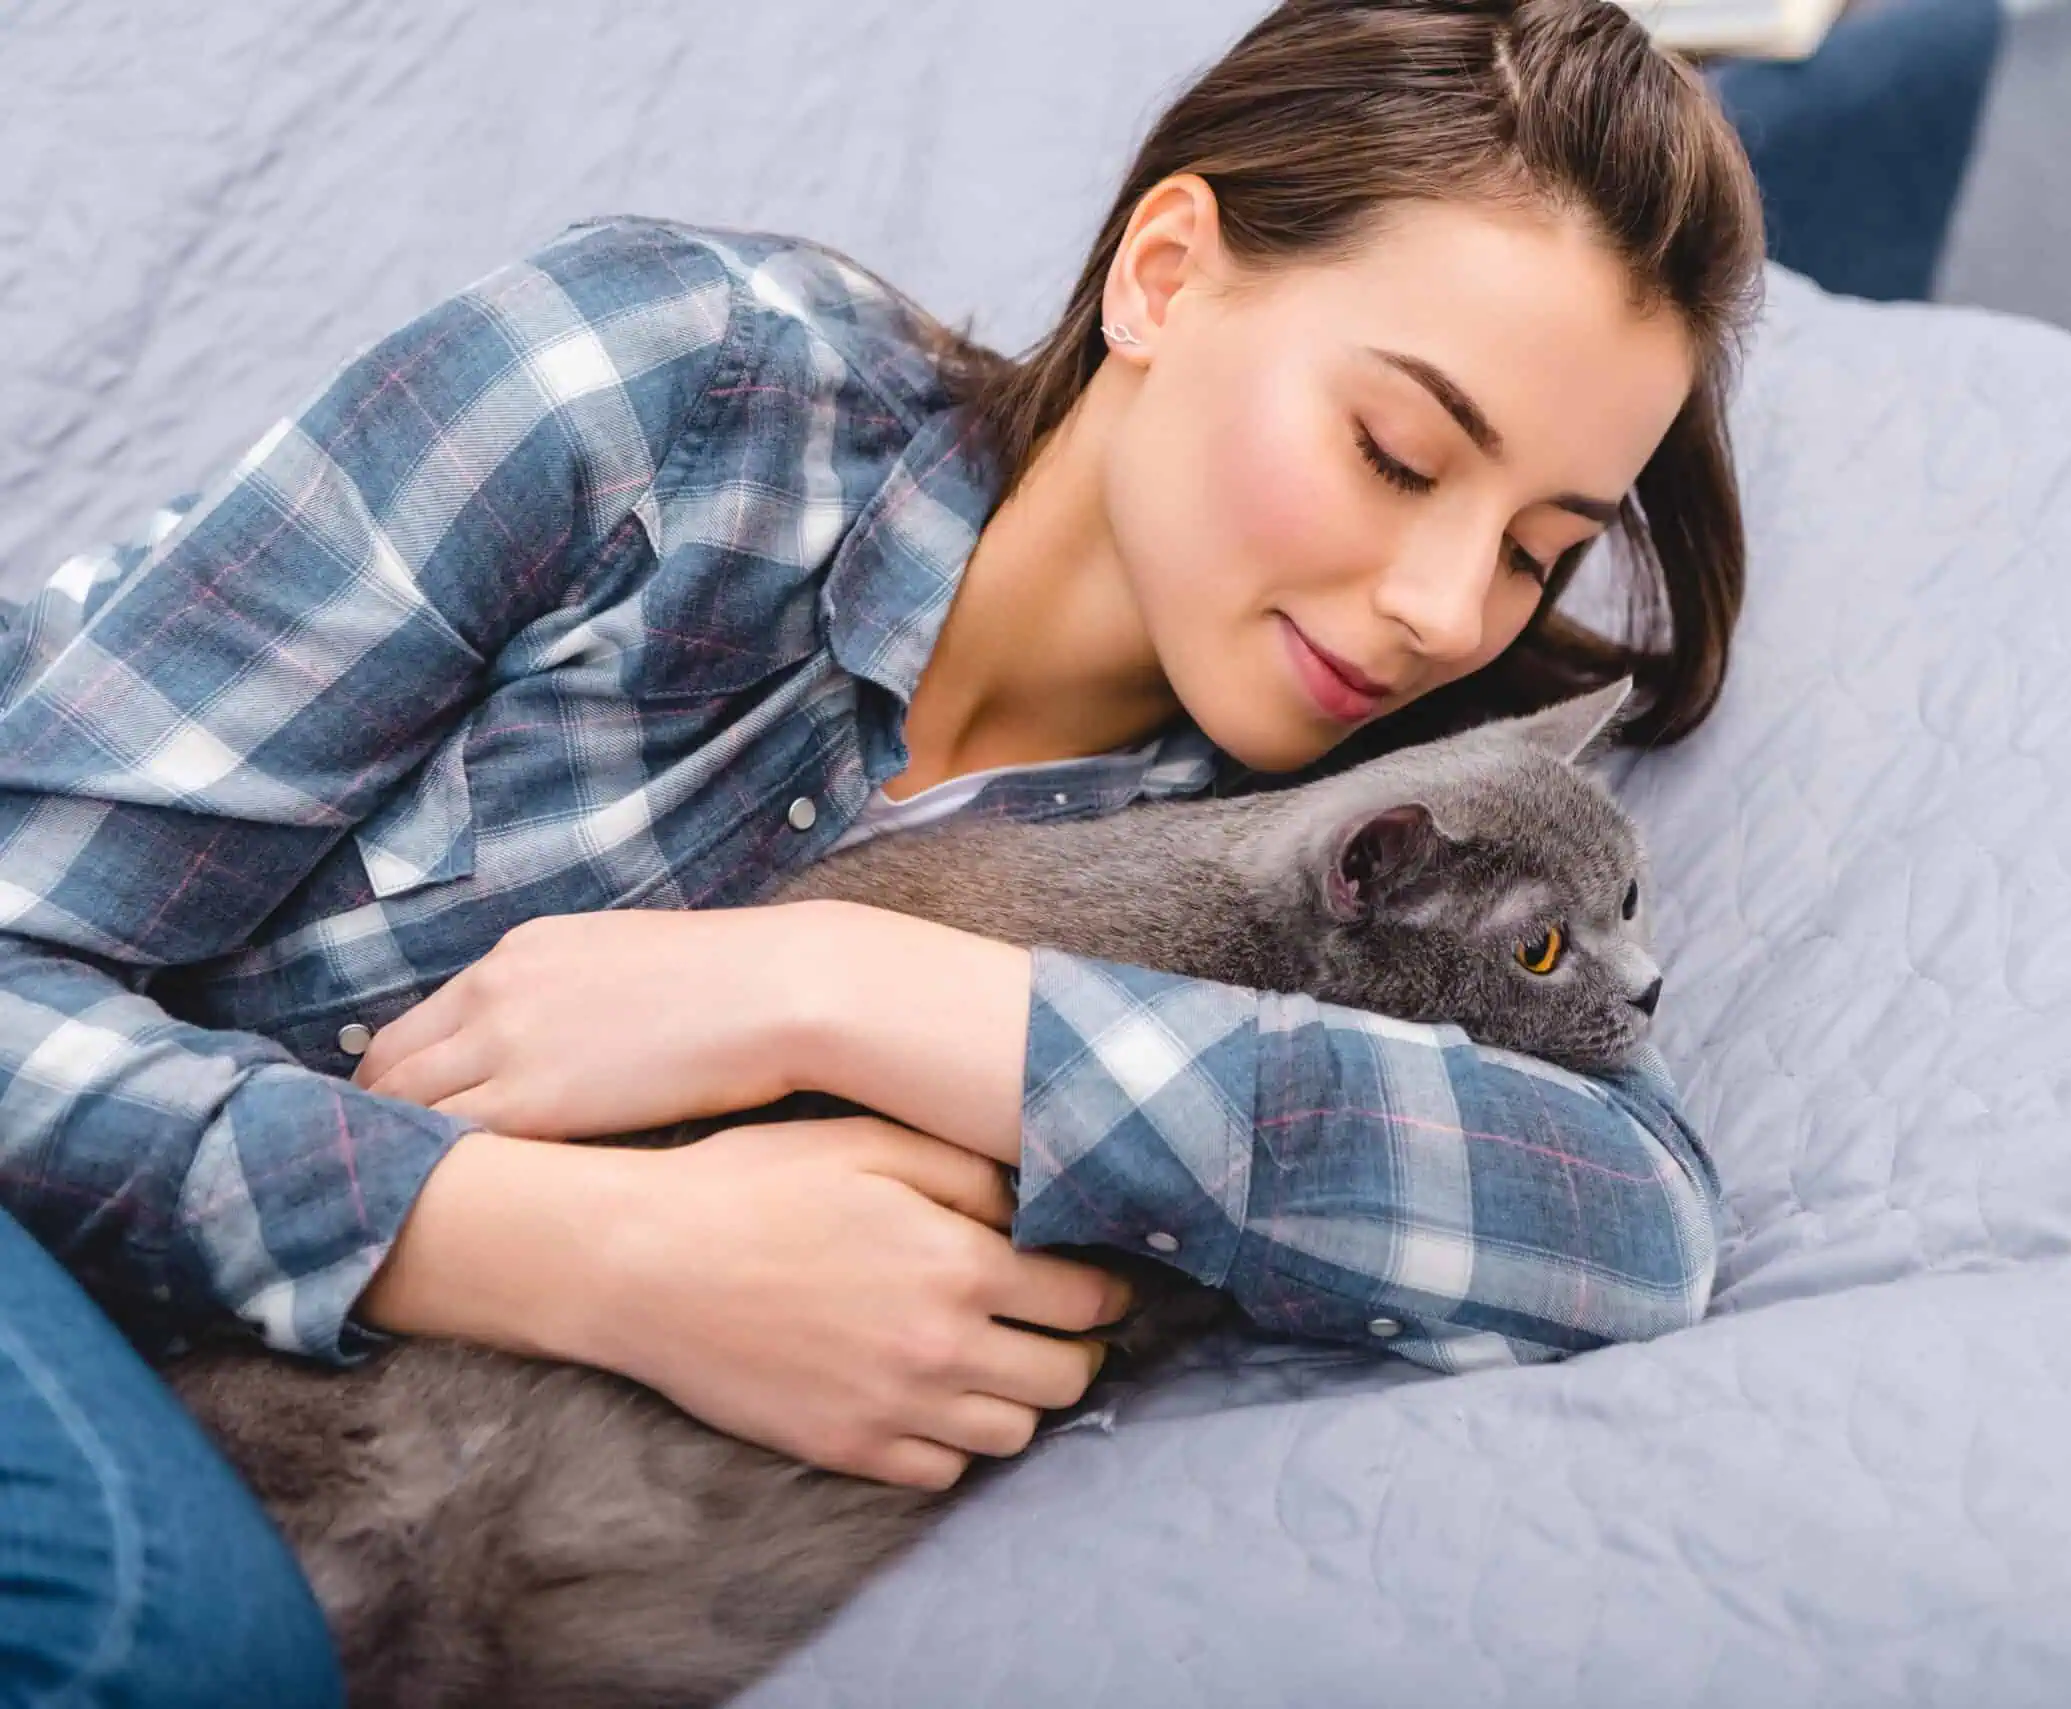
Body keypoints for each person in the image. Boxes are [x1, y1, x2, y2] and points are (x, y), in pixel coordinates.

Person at [0, 0, 1763, 1699]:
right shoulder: (672, 396)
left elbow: (1628, 1221)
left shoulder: (1348, 847)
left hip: (245, 1456)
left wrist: (829, 986)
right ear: (1163, 278)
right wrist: (577, 1247)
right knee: (177, 1643)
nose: (1445, 609)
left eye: (1537, 550)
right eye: (1393, 455)